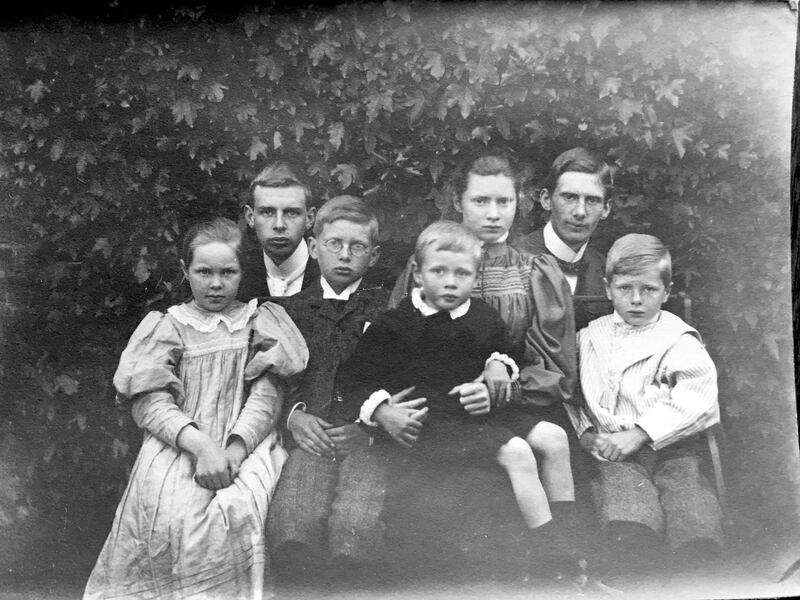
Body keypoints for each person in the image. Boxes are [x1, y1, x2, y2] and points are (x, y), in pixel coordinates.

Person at [338, 221, 584, 582]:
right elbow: (354, 379)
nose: (450, 282)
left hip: (474, 416)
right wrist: (383, 410)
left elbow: (506, 349)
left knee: (554, 437)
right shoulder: (395, 325)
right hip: (431, 427)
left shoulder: (481, 315)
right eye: (439, 271)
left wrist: (498, 365)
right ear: (419, 275)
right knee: (517, 452)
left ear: (475, 275)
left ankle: (569, 538)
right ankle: (553, 558)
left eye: (462, 273)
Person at [84, 218, 309, 600]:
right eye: (204, 272)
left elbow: (267, 395)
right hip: (181, 444)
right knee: (174, 515)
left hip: (246, 442)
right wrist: (202, 447)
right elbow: (150, 401)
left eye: (228, 272)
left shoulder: (259, 320)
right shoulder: (167, 325)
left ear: (243, 272)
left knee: (241, 507)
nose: (216, 284)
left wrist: (234, 451)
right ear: (185, 271)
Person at [266, 196, 422, 594]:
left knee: (356, 525)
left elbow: (406, 375)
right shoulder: (287, 311)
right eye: (334, 244)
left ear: (374, 256)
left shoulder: (391, 308)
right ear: (314, 246)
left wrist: (373, 428)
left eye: (358, 247)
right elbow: (272, 380)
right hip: (310, 439)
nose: (345, 255)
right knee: (293, 524)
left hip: (366, 439)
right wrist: (294, 417)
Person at [564, 233, 723, 585]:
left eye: (649, 290)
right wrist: (587, 434)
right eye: (625, 288)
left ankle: (696, 572)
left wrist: (642, 432)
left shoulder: (677, 338)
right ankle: (634, 567)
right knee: (626, 507)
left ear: (666, 292)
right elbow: (570, 394)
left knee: (690, 505)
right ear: (608, 288)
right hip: (616, 453)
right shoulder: (588, 338)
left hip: (672, 446)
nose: (636, 300)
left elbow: (699, 396)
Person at [515, 147, 614, 330]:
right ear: (546, 199)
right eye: (569, 197)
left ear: (606, 209)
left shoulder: (610, 274)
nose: (580, 212)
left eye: (592, 200)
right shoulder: (510, 261)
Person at [239, 161, 319, 300]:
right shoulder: (237, 278)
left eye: (292, 213)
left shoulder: (333, 275)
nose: (279, 225)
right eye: (267, 212)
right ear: (250, 217)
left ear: (309, 218)